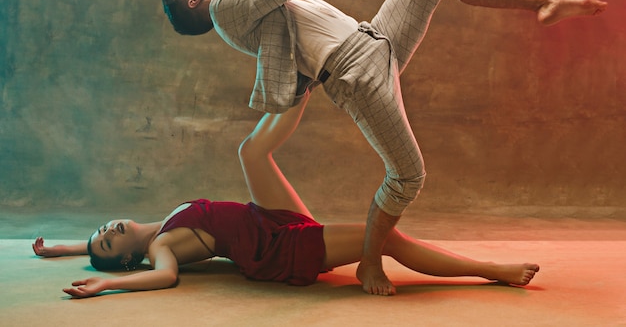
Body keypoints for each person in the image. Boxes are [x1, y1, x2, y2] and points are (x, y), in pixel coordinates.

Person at [161, 0, 607, 296]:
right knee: (407, 175)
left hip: (373, 38)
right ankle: (369, 263)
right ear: (195, 0)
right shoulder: (228, 9)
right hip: (355, 73)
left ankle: (544, 2)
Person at [33, 91, 541, 298]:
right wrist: (104, 286)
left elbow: (94, 245)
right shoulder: (160, 250)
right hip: (276, 250)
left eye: (100, 230)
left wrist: (62, 248)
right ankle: (491, 271)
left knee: (251, 152)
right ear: (125, 261)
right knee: (384, 238)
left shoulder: (151, 227)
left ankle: (304, 80)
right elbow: (163, 278)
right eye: (106, 243)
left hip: (266, 219)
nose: (105, 233)